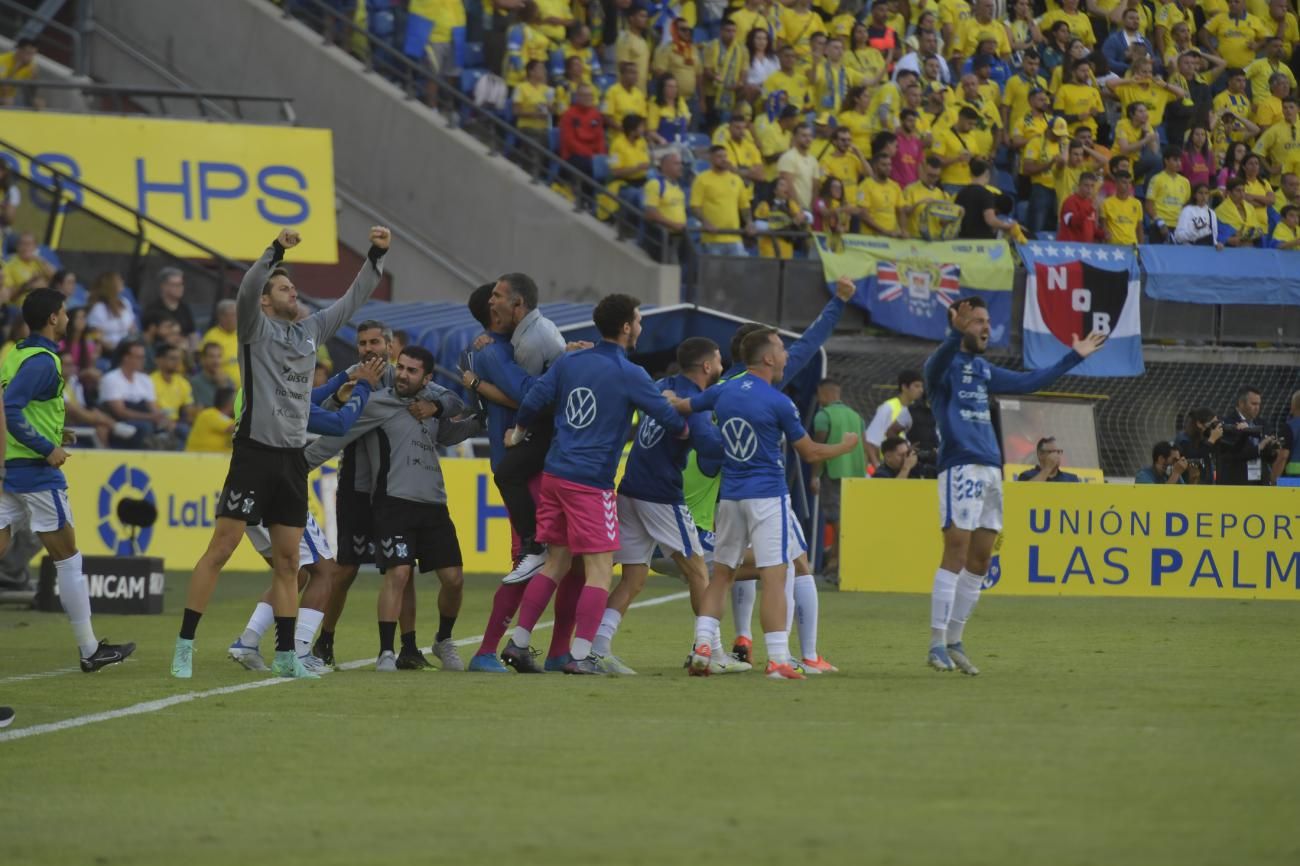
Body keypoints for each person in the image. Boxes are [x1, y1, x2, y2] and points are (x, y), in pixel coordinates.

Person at [170, 226, 390, 680]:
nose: (294, 291)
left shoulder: (310, 331)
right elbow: (249, 286)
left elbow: (351, 301)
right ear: (267, 301)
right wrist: (272, 253)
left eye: (292, 285)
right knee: (221, 549)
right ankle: (184, 645)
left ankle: (287, 655)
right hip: (254, 454)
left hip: (291, 461)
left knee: (292, 564)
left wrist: (375, 254)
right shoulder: (255, 327)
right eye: (285, 287)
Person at [500, 293, 687, 675]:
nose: (641, 327)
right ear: (625, 327)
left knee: (555, 562)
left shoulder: (572, 361)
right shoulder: (630, 373)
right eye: (638, 320)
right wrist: (686, 427)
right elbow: (667, 418)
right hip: (591, 483)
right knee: (601, 569)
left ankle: (518, 644)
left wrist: (519, 429)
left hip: (555, 475)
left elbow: (535, 396)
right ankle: (582, 655)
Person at [924, 298, 1106, 675]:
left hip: (992, 470)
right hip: (961, 466)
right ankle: (936, 642)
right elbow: (940, 358)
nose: (986, 327)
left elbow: (1030, 382)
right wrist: (952, 334)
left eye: (988, 321)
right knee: (955, 551)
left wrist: (1075, 356)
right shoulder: (941, 367)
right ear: (959, 324)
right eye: (977, 321)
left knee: (981, 559)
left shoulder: (984, 369)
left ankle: (956, 640)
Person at [678, 327, 860, 680]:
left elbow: (686, 405)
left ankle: (703, 646)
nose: (786, 354)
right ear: (767, 358)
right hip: (766, 496)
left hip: (730, 497)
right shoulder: (778, 401)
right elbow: (809, 452)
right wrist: (846, 446)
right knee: (777, 574)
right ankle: (779, 659)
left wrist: (668, 399)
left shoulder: (724, 390)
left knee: (722, 575)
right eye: (780, 348)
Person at [0, 289, 136, 672]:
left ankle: (92, 649)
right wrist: (46, 448)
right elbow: (11, 408)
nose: (69, 318)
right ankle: (91, 650)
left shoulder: (17, 353)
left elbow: (16, 406)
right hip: (36, 473)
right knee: (68, 559)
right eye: (64, 312)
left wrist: (56, 434)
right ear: (53, 318)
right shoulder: (43, 361)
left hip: (9, 468)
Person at [227, 356, 385, 675]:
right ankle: (298, 652)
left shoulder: (254, 392)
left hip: (244, 489)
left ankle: (248, 640)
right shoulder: (283, 400)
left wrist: (344, 375)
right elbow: (339, 424)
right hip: (278, 490)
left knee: (294, 575)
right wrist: (364, 387)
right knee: (325, 571)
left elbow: (309, 397)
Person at [590, 337, 732, 674]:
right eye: (719, 361)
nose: (722, 366)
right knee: (699, 572)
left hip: (631, 487)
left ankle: (598, 647)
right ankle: (709, 650)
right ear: (708, 366)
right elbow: (710, 447)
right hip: (661, 495)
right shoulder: (695, 401)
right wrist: (742, 443)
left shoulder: (662, 385)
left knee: (634, 578)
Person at [486, 274, 566, 585]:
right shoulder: (534, 330)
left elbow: (530, 398)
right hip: (555, 422)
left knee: (507, 473)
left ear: (518, 304)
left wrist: (518, 432)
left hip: (551, 426)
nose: (493, 302)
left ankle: (535, 545)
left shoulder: (531, 342)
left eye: (497, 296)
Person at [810, 378, 865, 578]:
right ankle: (835, 562)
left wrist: (814, 476)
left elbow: (818, 449)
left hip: (833, 473)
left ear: (823, 393)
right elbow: (865, 445)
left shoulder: (823, 416)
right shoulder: (856, 416)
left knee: (836, 519)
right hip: (857, 475)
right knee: (848, 519)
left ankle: (837, 561)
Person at [99, 340, 172, 449]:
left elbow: (152, 407)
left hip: (144, 418)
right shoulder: (111, 379)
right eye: (139, 357)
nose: (142, 361)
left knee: (177, 428)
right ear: (126, 358)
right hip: (119, 422)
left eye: (143, 357)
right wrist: (150, 417)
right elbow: (120, 412)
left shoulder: (145, 379)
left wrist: (161, 418)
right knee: (145, 428)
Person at [1216, 386, 1280, 486]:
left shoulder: (1263, 423)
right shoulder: (1227, 424)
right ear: (1241, 403)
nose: (1257, 407)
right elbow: (1231, 454)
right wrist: (1258, 448)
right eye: (1254, 404)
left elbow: (1268, 458)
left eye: (1259, 404)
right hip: (1238, 482)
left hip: (1260, 482)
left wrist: (1273, 450)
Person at [865, 369, 923, 467]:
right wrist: (877, 466)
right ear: (904, 387)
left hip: (911, 466)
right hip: (890, 467)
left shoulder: (917, 410)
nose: (921, 390)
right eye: (917, 386)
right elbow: (870, 440)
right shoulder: (888, 408)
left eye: (922, 386)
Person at [956, 159, 1017, 239]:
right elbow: (990, 220)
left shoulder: (961, 193)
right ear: (987, 174)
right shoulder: (986, 194)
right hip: (982, 240)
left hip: (963, 238)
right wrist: (1007, 225)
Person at [143, 268, 197, 344]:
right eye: (175, 285)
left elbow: (192, 333)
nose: (180, 288)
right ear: (163, 286)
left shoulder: (185, 308)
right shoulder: (153, 309)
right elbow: (147, 338)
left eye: (181, 284)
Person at [1175, 407, 1224, 484]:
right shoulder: (1183, 439)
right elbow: (1193, 457)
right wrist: (1211, 440)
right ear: (1199, 424)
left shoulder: (1205, 438)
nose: (1214, 427)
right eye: (1212, 424)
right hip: (1191, 486)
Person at [201, 300, 241, 388]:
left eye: (235, 314)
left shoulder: (243, 334)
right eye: (229, 315)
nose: (233, 318)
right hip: (224, 387)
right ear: (220, 316)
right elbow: (207, 366)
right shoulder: (211, 337)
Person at [186, 386, 236, 452]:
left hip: (218, 459)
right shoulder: (209, 414)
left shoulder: (230, 419)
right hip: (198, 458)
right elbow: (232, 428)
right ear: (229, 403)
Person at [1101, 171, 1145, 245]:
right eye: (1124, 182)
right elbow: (1104, 226)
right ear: (1116, 184)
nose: (1128, 185)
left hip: (1132, 245)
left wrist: (1141, 246)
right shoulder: (1106, 203)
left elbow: (1139, 228)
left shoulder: (1137, 204)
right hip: (1113, 246)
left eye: (1129, 183)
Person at [1057, 171, 1100, 243]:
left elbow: (1091, 228)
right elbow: (1073, 223)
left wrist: (1103, 234)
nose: (1089, 189)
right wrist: (1090, 209)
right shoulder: (1070, 201)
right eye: (1086, 185)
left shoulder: (1091, 203)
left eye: (1092, 186)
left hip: (1085, 248)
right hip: (1070, 248)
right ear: (1079, 185)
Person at [1016, 436, 1082, 481]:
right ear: (1040, 454)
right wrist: (1048, 469)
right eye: (1052, 452)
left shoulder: (1071, 479)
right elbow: (1026, 494)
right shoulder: (1026, 476)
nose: (1057, 455)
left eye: (1059, 452)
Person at [1277, 390, 1300, 481]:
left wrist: (1273, 479)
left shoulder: (1289, 427)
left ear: (1293, 406)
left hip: (1292, 482)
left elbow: (1283, 456)